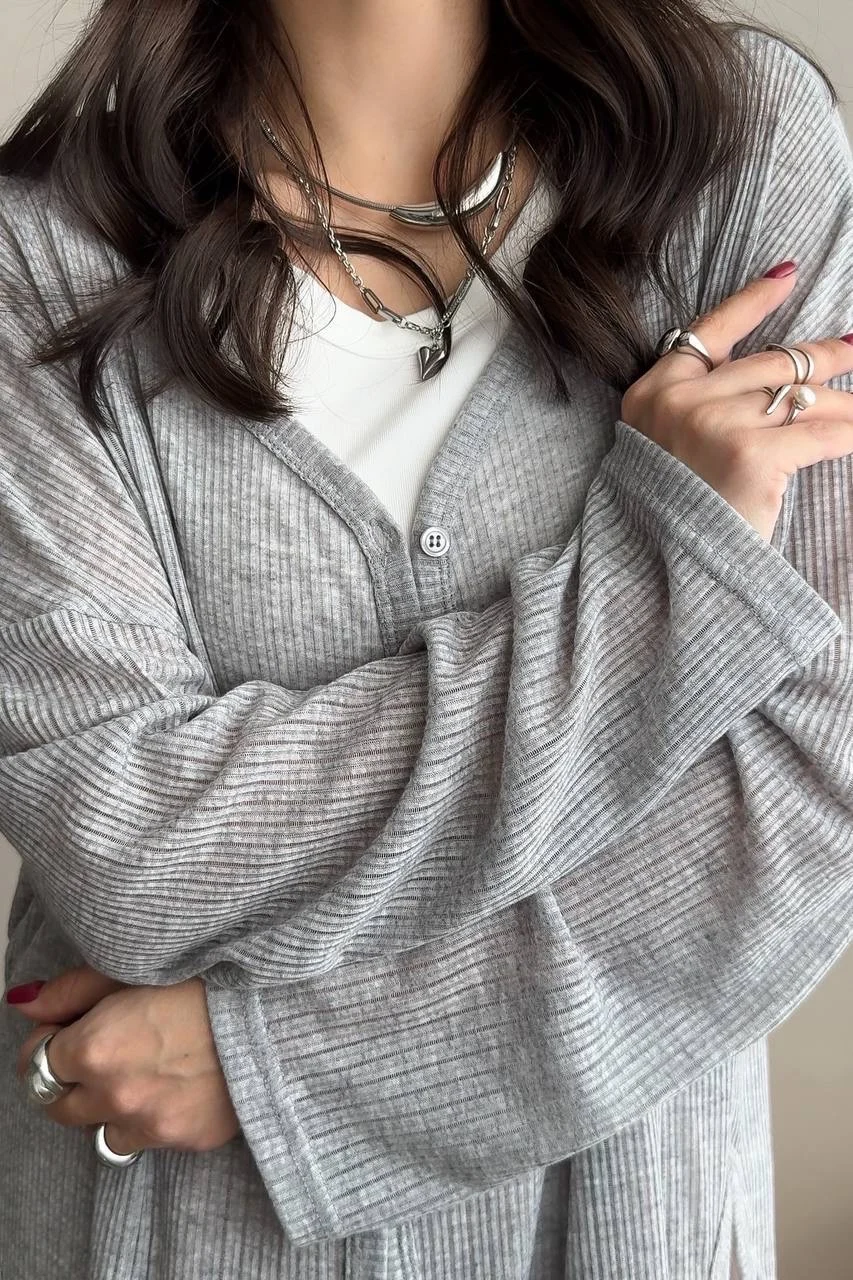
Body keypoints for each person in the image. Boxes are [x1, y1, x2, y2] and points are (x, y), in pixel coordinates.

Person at [0, 0, 851, 1274]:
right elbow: (130, 846)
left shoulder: (734, 148)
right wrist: (667, 591)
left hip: (621, 1219)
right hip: (177, 1229)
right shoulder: (34, 251)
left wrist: (294, 1065)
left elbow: (808, 783)